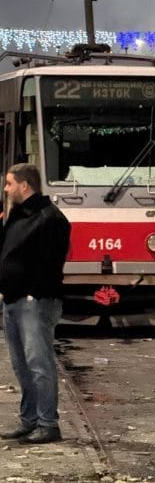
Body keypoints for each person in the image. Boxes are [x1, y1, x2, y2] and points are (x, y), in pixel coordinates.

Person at [0, 163, 70, 444]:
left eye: (9, 184)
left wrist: (32, 292)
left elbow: (50, 262)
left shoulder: (49, 218)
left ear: (24, 185)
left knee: (39, 364)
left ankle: (47, 423)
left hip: (34, 302)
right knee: (21, 365)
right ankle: (29, 419)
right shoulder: (17, 215)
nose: (6, 189)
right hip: (13, 300)